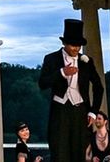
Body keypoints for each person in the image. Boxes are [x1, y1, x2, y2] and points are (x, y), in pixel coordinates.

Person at [37, 19, 103, 162]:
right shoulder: (51, 59)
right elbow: (42, 83)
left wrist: (93, 111)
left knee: (81, 153)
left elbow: (99, 87)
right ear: (64, 43)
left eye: (78, 45)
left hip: (81, 112)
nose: (76, 49)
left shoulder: (86, 61)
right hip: (60, 111)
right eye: (73, 45)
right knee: (59, 151)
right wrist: (61, 72)